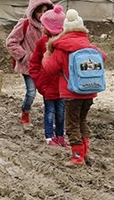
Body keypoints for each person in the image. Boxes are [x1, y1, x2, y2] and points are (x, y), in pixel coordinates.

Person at [43, 9, 106, 166]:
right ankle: (86, 152)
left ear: (65, 28)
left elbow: (50, 69)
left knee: (72, 125)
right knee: (82, 121)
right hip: (90, 90)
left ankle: (77, 156)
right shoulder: (89, 45)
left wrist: (46, 56)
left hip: (71, 93)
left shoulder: (62, 48)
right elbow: (103, 57)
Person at [5, 0, 54, 127]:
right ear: (33, 11)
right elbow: (11, 41)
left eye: (45, 11)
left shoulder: (52, 26)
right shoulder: (25, 24)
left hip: (46, 66)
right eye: (39, 11)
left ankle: (49, 119)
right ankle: (25, 113)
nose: (42, 14)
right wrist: (24, 56)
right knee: (31, 92)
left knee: (48, 94)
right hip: (29, 66)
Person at [29, 5, 68, 147]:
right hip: (48, 86)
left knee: (61, 112)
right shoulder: (42, 43)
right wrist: (39, 80)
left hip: (62, 86)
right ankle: (49, 137)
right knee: (49, 112)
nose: (41, 27)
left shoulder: (64, 43)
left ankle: (60, 136)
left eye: (44, 25)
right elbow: (34, 63)